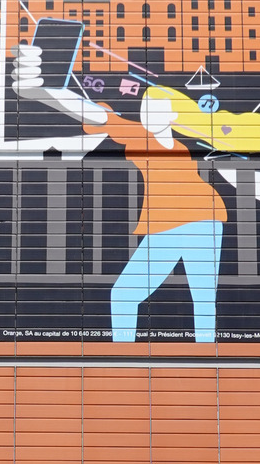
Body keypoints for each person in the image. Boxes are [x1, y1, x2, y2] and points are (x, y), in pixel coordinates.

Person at [12, 57, 226, 344]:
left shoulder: (174, 146)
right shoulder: (141, 136)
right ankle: (128, 357)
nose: (148, 114)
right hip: (188, 222)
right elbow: (93, 113)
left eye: (157, 108)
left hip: (198, 219)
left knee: (201, 298)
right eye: (145, 109)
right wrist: (42, 93)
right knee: (140, 295)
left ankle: (203, 359)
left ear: (173, 116)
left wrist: (41, 92)